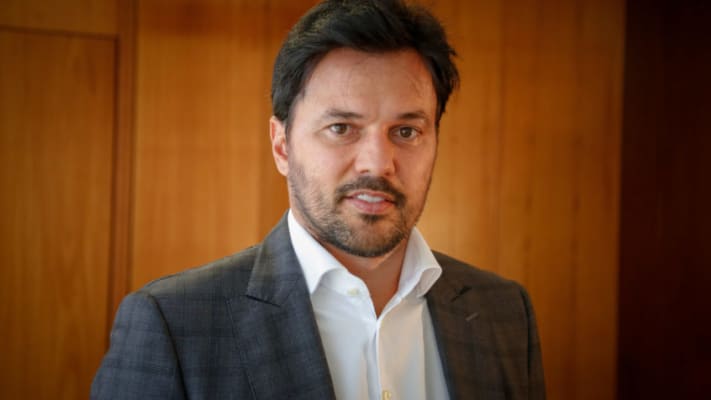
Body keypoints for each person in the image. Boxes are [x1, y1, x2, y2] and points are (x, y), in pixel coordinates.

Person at [91, 0, 545, 399]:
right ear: (282, 146)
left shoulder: (505, 315)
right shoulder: (172, 326)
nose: (377, 163)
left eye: (406, 131)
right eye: (341, 128)